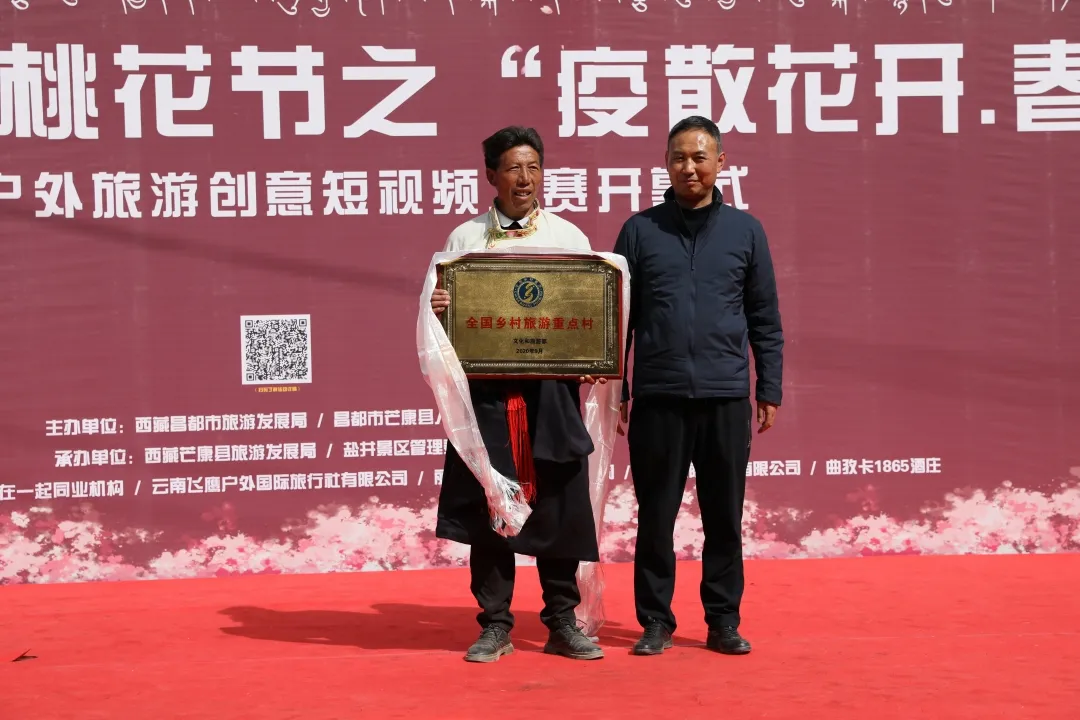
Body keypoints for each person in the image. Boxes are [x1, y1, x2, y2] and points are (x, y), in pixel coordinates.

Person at [429, 126, 606, 663]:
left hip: (552, 399)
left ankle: (562, 622)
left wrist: (594, 355)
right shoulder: (464, 240)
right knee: (491, 507)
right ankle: (495, 625)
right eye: (513, 168)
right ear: (491, 175)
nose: (525, 179)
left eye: (533, 167)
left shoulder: (569, 237)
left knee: (560, 507)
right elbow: (440, 330)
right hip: (487, 400)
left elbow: (589, 312)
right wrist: (439, 309)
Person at [612, 115, 784, 657]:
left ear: (720, 163)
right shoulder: (640, 231)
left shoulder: (745, 231)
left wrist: (769, 387)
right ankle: (655, 622)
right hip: (658, 397)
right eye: (679, 158)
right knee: (655, 517)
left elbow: (764, 317)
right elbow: (618, 319)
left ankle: (722, 621)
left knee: (724, 517)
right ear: (666, 164)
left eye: (700, 157)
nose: (689, 167)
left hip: (725, 396)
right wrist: (619, 389)